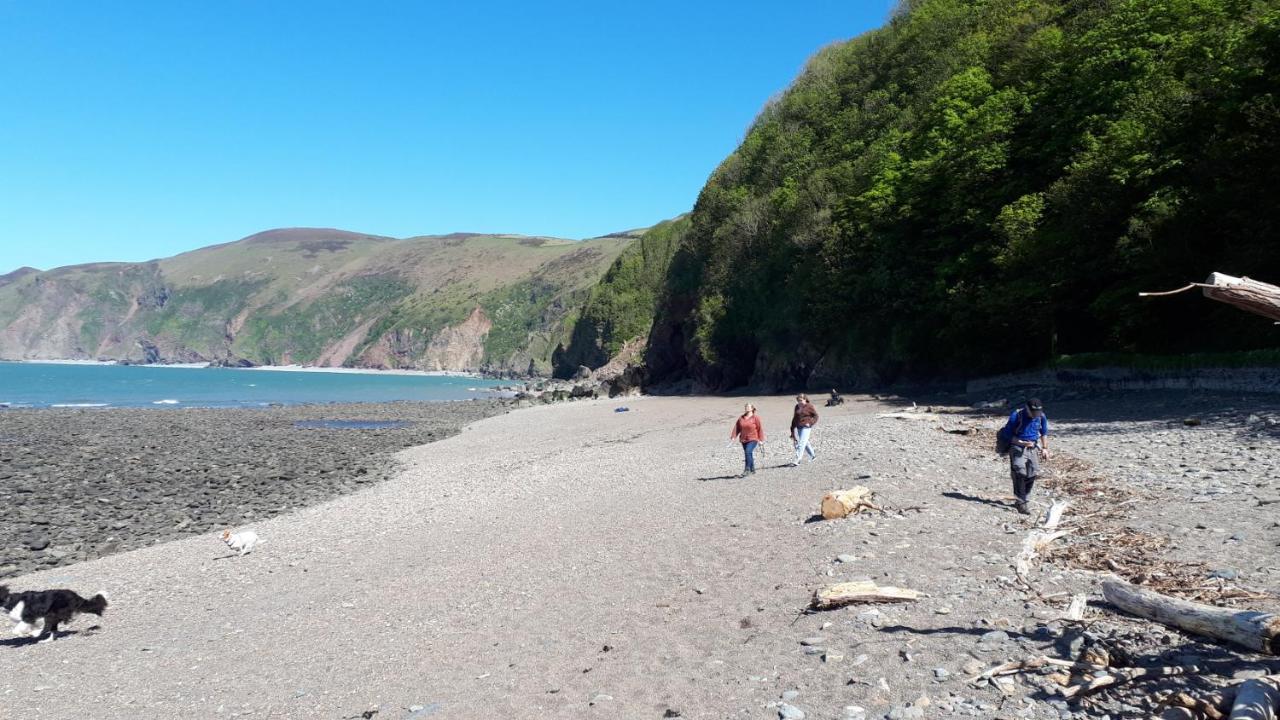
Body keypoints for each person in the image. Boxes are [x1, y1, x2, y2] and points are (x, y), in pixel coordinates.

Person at [1003, 397, 1051, 514]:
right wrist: (1020, 442)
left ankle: (1024, 498)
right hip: (1017, 446)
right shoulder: (1017, 416)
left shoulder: (1041, 417)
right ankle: (1021, 502)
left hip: (1033, 447)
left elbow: (1044, 432)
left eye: (1038, 412)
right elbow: (1007, 434)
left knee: (1032, 473)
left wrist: (1045, 448)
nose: (1035, 414)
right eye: (1033, 412)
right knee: (1019, 472)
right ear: (1027, 409)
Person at [730, 403, 765, 477]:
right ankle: (752, 470)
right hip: (744, 439)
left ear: (752, 408)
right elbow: (737, 428)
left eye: (748, 407)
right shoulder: (741, 418)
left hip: (753, 438)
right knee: (749, 454)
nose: (746, 408)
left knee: (748, 451)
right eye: (745, 407)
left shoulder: (755, 418)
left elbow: (759, 429)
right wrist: (733, 437)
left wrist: (761, 439)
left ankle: (747, 469)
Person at [789, 394, 818, 466]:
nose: (799, 402)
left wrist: (811, 423)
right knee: (805, 442)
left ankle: (798, 459)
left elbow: (816, 416)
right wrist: (792, 428)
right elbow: (795, 417)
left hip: (806, 427)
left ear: (805, 399)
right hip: (799, 427)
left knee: (801, 443)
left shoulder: (809, 406)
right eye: (798, 400)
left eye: (801, 400)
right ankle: (813, 455)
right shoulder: (797, 407)